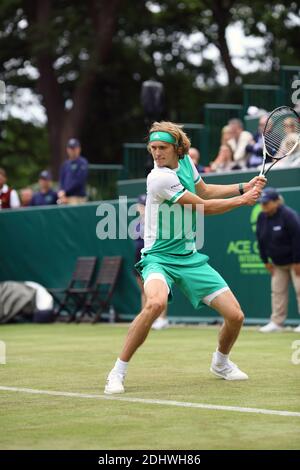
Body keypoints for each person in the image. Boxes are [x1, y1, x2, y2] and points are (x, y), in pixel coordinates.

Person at [104, 121, 266, 395]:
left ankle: (221, 363)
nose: (156, 153)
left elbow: (204, 191)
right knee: (154, 304)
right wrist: (243, 200)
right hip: (158, 257)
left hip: (188, 257)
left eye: (162, 148)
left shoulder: (187, 163)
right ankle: (117, 372)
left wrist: (242, 186)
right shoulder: (158, 178)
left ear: (178, 148)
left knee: (236, 316)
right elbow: (203, 207)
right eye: (153, 148)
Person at [256, 188, 300, 333]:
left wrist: (297, 261)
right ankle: (277, 323)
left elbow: (297, 238)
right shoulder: (261, 217)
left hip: (296, 262)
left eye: (266, 203)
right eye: (262, 203)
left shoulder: (288, 215)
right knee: (277, 292)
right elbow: (260, 240)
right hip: (278, 263)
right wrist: (265, 261)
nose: (263, 206)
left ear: (276, 202)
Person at [134, 194, 169, 330]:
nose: (143, 208)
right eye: (141, 206)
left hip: (154, 257)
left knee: (159, 290)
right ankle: (146, 318)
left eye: (145, 205)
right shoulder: (137, 223)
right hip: (139, 257)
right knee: (144, 290)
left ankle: (161, 318)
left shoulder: (157, 221)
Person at [58, 138, 88, 205]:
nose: (72, 150)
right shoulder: (65, 164)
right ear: (67, 149)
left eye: (74, 148)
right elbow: (61, 180)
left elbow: (79, 181)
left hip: (78, 197)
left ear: (79, 149)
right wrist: (61, 193)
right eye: (71, 148)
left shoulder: (83, 162)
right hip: (64, 198)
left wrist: (65, 191)